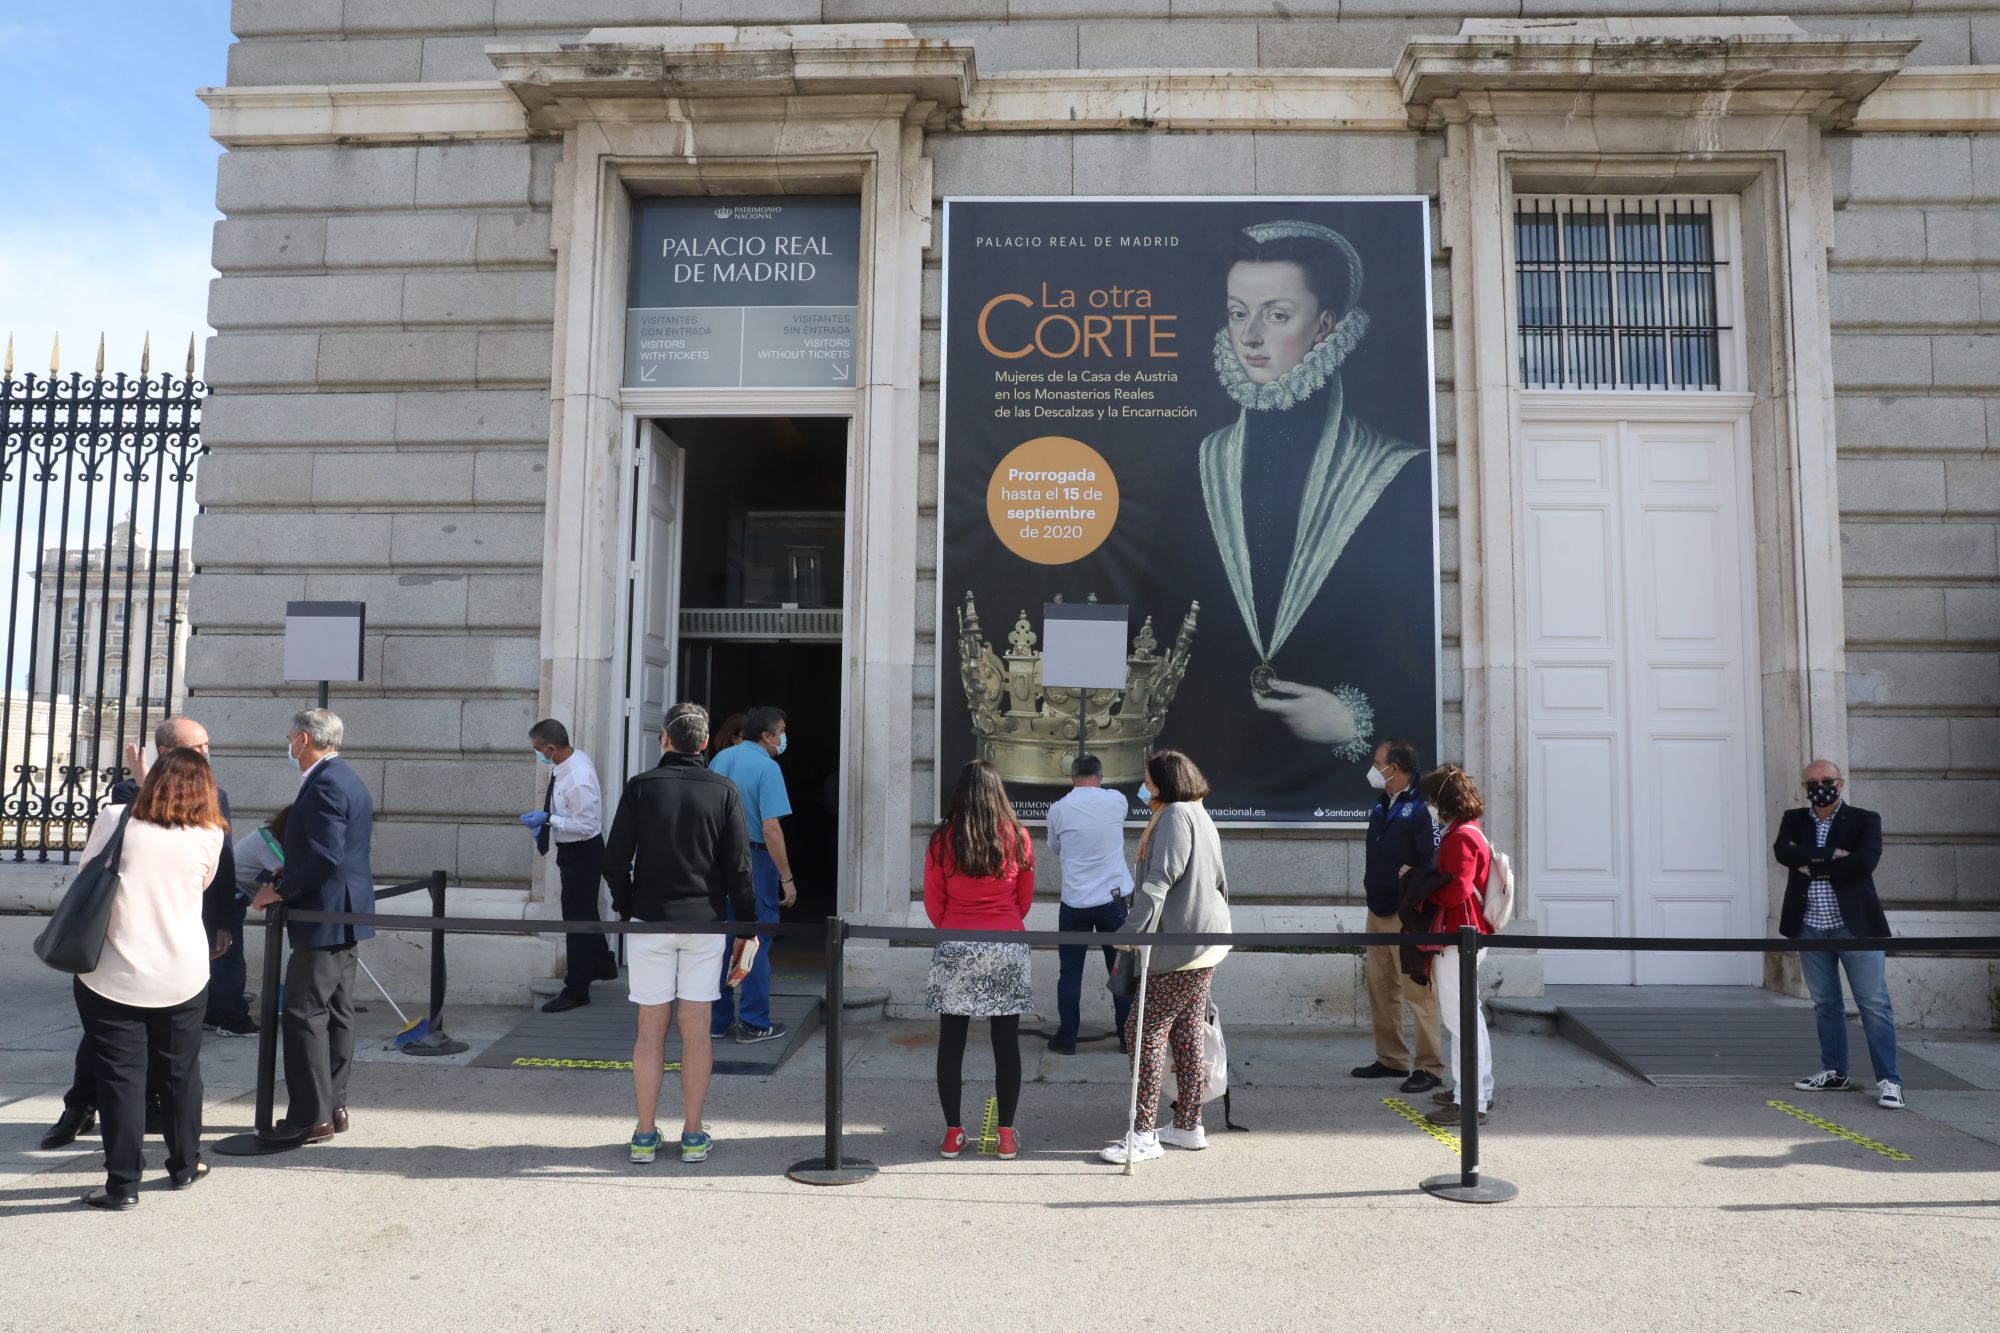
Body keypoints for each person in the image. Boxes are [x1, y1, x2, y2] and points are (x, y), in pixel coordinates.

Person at [1143, 220, 1435, 809]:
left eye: (1276, 315)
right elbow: (1160, 620)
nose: (1249, 336)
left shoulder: (1397, 474)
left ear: (1324, 326)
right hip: (1212, 766)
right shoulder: (1204, 463)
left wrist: (1354, 719)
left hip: (1335, 776)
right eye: (1236, 312)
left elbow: (1424, 651)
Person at [40, 716, 237, 1152]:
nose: (204, 754)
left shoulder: (213, 800)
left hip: (178, 940)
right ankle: (80, 1107)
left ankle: (142, 1146)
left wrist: (224, 922)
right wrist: (147, 781)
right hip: (120, 945)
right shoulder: (127, 795)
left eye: (206, 746)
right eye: (195, 748)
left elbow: (220, 872)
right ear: (166, 753)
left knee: (168, 1059)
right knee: (107, 1046)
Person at [69, 748, 229, 1208]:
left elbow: (87, 874)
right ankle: (184, 1165)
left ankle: (122, 1185)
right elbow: (200, 885)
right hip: (182, 971)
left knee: (120, 1079)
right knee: (181, 1074)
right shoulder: (210, 833)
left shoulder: (116, 818)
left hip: (112, 973)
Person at [601, 702, 757, 1165]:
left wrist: (629, 906)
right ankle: (692, 1133)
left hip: (651, 919)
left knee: (650, 1028)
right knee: (696, 1029)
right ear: (706, 743)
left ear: (664, 738)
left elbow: (613, 861)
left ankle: (645, 1134)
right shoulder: (724, 790)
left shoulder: (641, 788)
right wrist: (747, 928)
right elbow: (738, 869)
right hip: (704, 922)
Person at [250, 708, 376, 1148]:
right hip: (343, 910)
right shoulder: (345, 777)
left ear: (304, 740)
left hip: (323, 913)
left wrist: (279, 892)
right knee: (337, 1012)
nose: (288, 745)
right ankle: (333, 1106)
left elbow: (327, 857)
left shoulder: (324, 783)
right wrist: (291, 870)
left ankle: (311, 1116)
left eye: (290, 738)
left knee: (305, 1013)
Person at [1101, 749, 1233, 1164]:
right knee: (1187, 1031)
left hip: (1179, 944)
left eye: (1148, 779)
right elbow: (1218, 881)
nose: (1144, 787)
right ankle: (1188, 1125)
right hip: (1203, 942)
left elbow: (1159, 880)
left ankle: (1142, 1133)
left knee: (1143, 1030)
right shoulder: (1198, 812)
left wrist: (1131, 932)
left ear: (1164, 781)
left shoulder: (1175, 815)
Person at [1775, 760, 1902, 1109]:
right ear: (1804, 787)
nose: (1820, 786)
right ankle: (1834, 1072)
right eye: (1812, 781)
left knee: (1873, 1004)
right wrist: (1830, 855)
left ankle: (1889, 1081)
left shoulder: (1864, 819)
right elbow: (1783, 853)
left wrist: (1810, 865)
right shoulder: (1795, 819)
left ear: (1841, 783)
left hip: (1855, 926)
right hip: (1809, 924)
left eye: (1827, 780)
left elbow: (1864, 863)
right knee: (1826, 1004)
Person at [924, 760, 1034, 1160]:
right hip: (1005, 942)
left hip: (956, 941)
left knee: (951, 1044)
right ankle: (1005, 1135)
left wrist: (954, 926)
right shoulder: (1017, 836)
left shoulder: (942, 840)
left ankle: (953, 1133)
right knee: (1006, 1044)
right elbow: (1024, 899)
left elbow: (934, 900)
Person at [1353, 739, 1444, 1093]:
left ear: (1397, 768)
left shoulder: (1423, 807)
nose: (1374, 768)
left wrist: (1414, 884)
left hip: (1406, 915)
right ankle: (1391, 1059)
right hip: (1377, 910)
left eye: (1379, 763)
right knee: (1380, 987)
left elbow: (1434, 861)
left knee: (1417, 993)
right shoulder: (1381, 803)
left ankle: (1430, 1067)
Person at [706, 705, 797, 1044]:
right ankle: (754, 1022)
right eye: (782, 731)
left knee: (722, 942)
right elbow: (772, 829)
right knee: (754, 943)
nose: (784, 737)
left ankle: (718, 1021)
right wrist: (786, 878)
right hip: (755, 861)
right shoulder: (768, 767)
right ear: (766, 735)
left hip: (719, 862)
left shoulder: (720, 761)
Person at [1415, 764, 1495, 1128]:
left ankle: (1469, 1100)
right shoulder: (1470, 831)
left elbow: (1457, 888)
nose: (1430, 806)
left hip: (1457, 933)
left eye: (1433, 800)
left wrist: (1423, 891)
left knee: (1459, 1018)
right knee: (1468, 1015)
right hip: (1467, 931)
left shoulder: (1460, 836)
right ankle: (1477, 1090)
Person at [522, 719, 616, 1013]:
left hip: (583, 851)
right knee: (583, 912)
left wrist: (548, 820)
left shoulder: (578, 775)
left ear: (551, 748)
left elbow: (587, 826)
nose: (538, 755)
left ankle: (576, 989)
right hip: (572, 850)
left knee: (576, 920)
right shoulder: (564, 764)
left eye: (538, 750)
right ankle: (602, 964)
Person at [1046, 753, 1134, 1056]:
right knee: (1119, 970)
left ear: (1072, 778)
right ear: (1101, 776)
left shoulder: (1058, 809)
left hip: (1074, 903)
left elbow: (1055, 848)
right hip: (1113, 902)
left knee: (1070, 973)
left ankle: (1067, 1038)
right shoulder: (1116, 801)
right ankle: (1127, 1039)